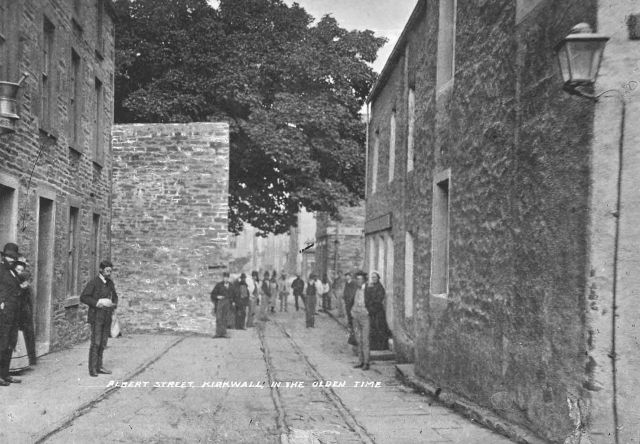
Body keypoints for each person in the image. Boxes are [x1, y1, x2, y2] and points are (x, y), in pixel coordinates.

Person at [80, 260, 118, 377]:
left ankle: (100, 366)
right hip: (96, 316)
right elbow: (84, 297)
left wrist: (113, 305)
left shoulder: (110, 283)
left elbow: (115, 296)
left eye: (110, 271)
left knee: (103, 343)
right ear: (101, 270)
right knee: (96, 342)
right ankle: (92, 369)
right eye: (107, 271)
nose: (108, 273)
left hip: (107, 316)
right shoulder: (94, 282)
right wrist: (97, 302)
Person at [0, 243, 22, 385]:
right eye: (9, 257)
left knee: (9, 343)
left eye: (13, 257)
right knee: (1, 343)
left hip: (13, 313)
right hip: (3, 313)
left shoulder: (12, 272)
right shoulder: (1, 270)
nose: (11, 260)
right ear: (3, 257)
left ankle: (5, 374)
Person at [10, 257, 36, 371]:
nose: (20, 271)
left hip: (24, 311)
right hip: (16, 310)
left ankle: (30, 358)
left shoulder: (24, 281)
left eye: (21, 269)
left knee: (27, 333)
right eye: (18, 269)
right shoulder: (12, 279)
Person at [366, 271, 392, 351]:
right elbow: (367, 296)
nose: (373, 279)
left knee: (380, 328)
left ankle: (381, 347)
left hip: (378, 311)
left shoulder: (380, 288)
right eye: (372, 277)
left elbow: (379, 299)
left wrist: (371, 303)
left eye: (375, 277)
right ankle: (373, 347)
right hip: (371, 311)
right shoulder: (371, 286)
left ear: (378, 278)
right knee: (372, 328)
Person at [351, 271, 370, 370]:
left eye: (360, 279)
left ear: (364, 280)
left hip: (365, 317)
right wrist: (352, 312)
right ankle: (360, 361)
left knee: (365, 340)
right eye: (357, 279)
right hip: (356, 316)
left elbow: (373, 302)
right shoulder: (356, 290)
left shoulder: (368, 290)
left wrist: (368, 311)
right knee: (358, 340)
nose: (358, 281)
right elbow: (352, 300)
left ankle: (366, 362)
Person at [210, 272, 232, 338]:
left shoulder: (231, 285)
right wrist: (217, 296)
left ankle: (224, 333)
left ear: (229, 278)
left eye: (227, 277)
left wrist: (232, 301)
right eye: (225, 277)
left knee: (225, 318)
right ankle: (218, 333)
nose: (226, 279)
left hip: (227, 302)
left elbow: (234, 294)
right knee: (219, 317)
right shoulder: (218, 285)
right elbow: (212, 294)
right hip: (220, 302)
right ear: (223, 278)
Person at [343, 272, 358, 345]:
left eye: (348, 276)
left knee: (352, 315)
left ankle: (352, 327)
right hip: (347, 302)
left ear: (350, 276)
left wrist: (350, 299)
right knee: (348, 314)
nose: (347, 277)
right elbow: (345, 291)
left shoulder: (353, 283)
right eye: (346, 276)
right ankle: (350, 325)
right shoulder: (347, 283)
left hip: (351, 302)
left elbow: (353, 292)